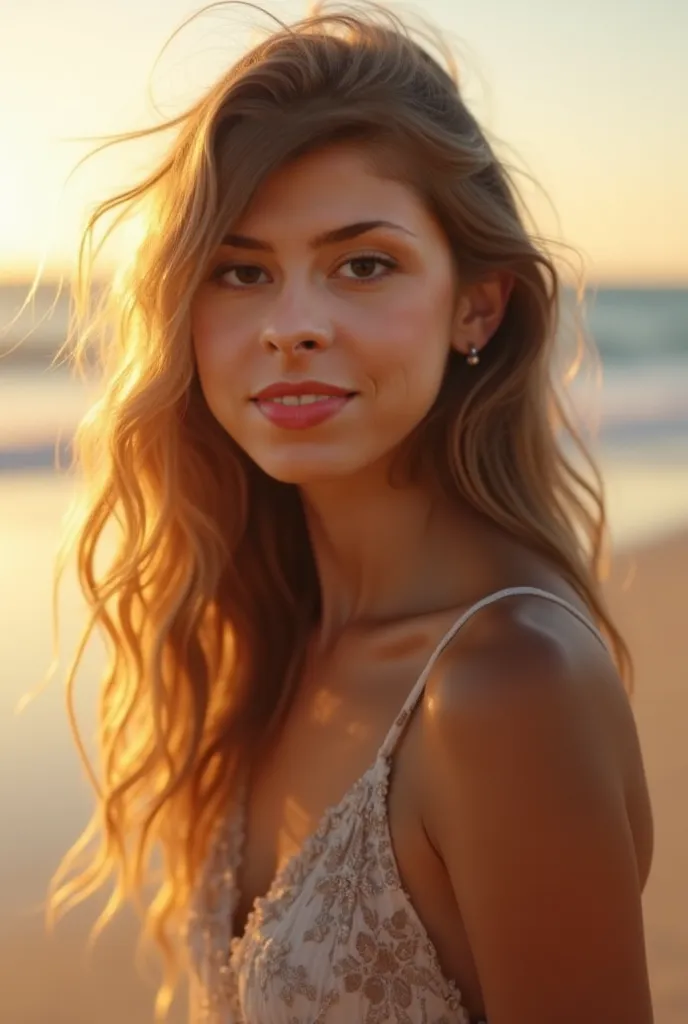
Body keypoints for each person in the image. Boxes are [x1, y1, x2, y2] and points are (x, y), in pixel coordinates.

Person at [48, 3, 655, 1022]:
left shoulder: (507, 683)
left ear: (477, 305)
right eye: (241, 272)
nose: (291, 327)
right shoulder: (267, 633)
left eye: (361, 264)